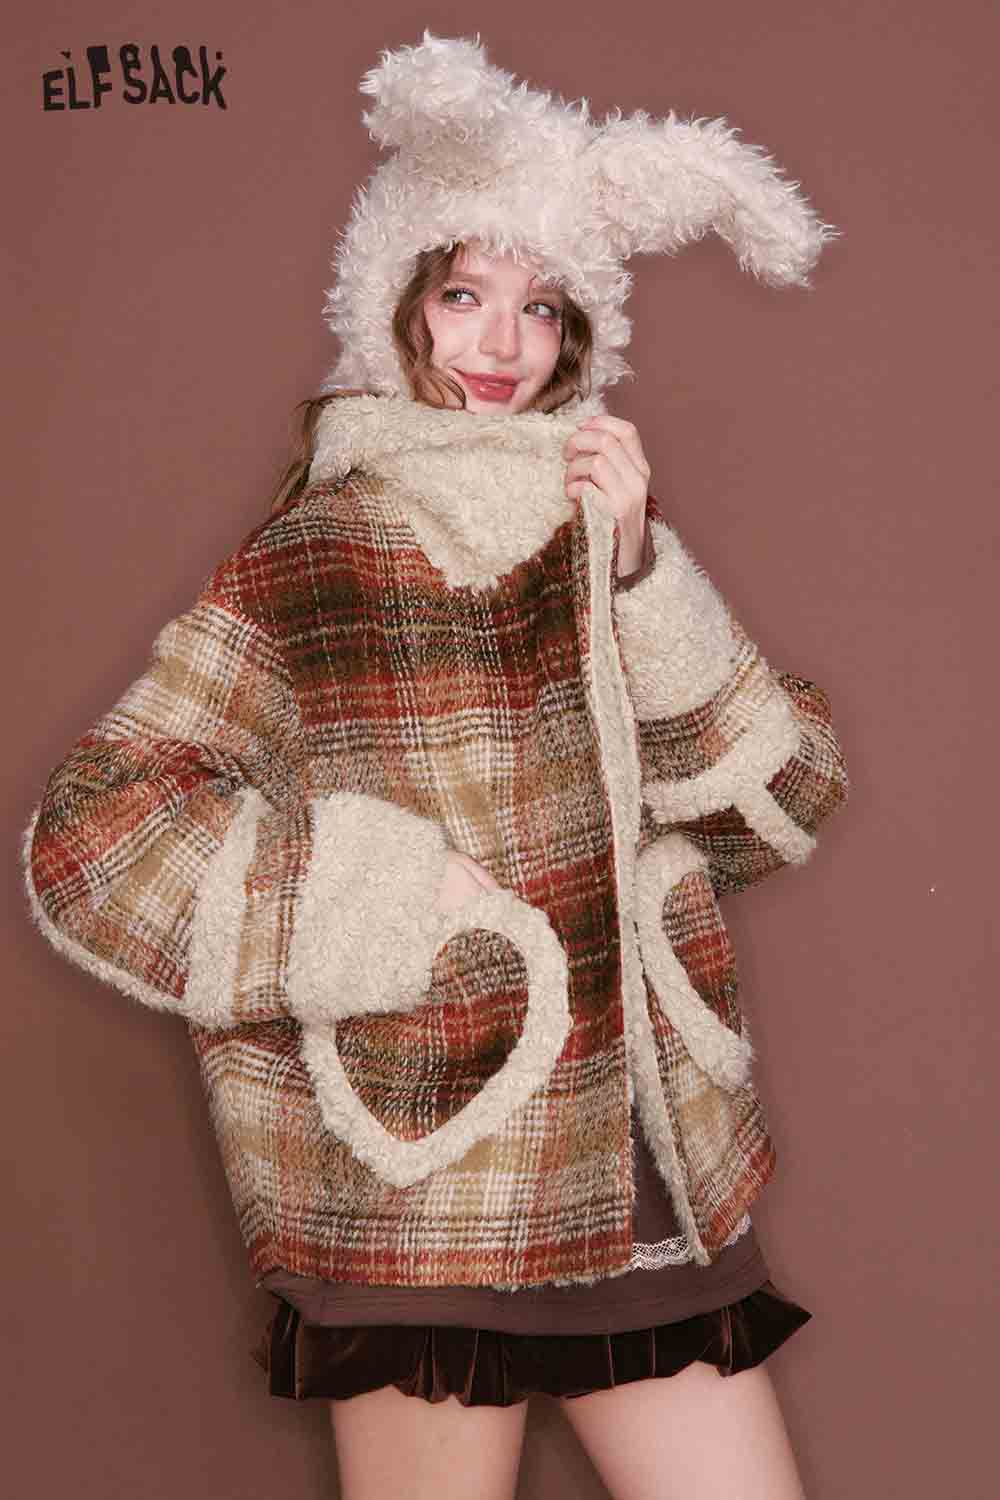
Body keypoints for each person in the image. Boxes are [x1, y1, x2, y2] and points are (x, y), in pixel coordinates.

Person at [23, 33, 849, 1500]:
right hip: (424, 1174)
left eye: (542, 307)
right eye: (463, 293)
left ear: (581, 338)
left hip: (634, 1169)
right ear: (392, 302)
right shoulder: (318, 554)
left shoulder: (610, 538)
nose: (500, 344)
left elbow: (779, 809)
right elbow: (93, 841)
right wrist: (398, 900)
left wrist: (643, 576)